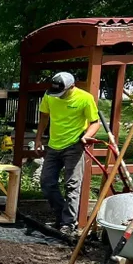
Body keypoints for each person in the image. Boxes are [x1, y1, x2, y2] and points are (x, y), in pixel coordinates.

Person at [35, 71, 100, 233]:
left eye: (62, 93)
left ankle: (68, 224)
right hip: (53, 145)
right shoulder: (50, 96)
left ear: (72, 87)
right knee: (47, 183)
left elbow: (95, 123)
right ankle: (61, 217)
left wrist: (87, 136)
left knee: (72, 185)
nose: (59, 96)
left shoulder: (85, 98)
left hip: (74, 146)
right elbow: (44, 117)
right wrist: (38, 138)